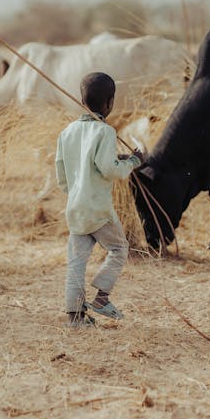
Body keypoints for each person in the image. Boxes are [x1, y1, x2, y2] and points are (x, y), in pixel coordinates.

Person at [55, 72, 144, 327]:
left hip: (75, 209)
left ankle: (75, 318)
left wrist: (77, 191)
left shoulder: (67, 132)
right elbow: (109, 169)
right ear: (110, 103)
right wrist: (135, 161)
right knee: (118, 249)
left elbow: (62, 178)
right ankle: (102, 298)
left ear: (82, 102)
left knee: (76, 263)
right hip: (98, 211)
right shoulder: (105, 132)